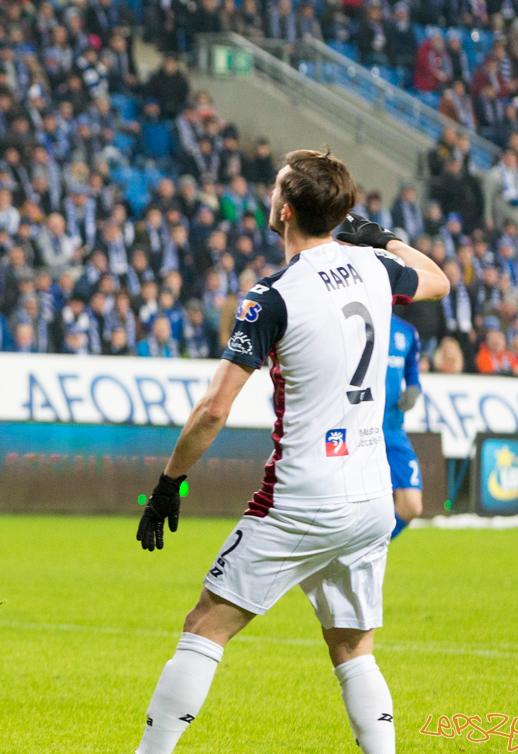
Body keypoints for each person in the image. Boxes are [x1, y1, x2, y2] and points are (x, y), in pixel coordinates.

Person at [131, 150, 449, 754]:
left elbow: (213, 410)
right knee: (352, 647)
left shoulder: (272, 296)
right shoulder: (374, 267)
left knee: (205, 625)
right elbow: (438, 280)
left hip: (302, 497)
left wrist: (170, 482)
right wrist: (383, 238)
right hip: (371, 496)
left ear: (284, 211)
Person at [384, 314, 423, 537]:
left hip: (393, 430)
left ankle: (371, 550)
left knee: (411, 505)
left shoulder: (407, 330)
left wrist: (413, 393)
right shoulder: (355, 322)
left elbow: (413, 378)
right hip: (356, 430)